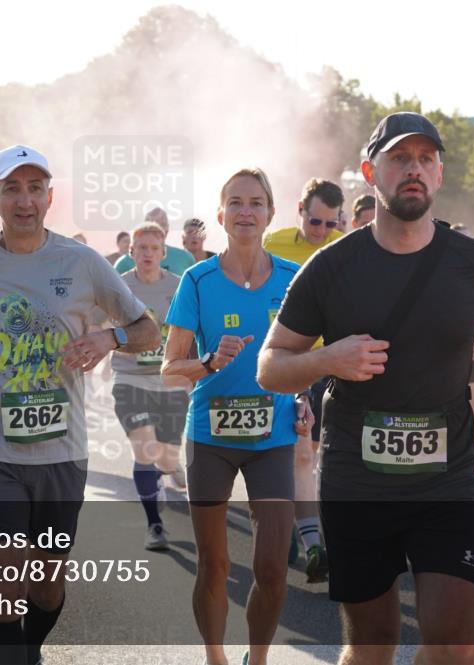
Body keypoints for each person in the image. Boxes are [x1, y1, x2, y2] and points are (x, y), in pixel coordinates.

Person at [258, 112, 474, 665]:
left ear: (439, 175)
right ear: (370, 171)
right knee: (371, 644)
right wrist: (328, 358)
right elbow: (270, 365)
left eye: (426, 159)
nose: (414, 169)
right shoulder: (329, 267)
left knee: (458, 646)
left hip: (448, 478)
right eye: (399, 158)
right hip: (357, 481)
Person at [0, 144, 158, 665]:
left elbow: (147, 328)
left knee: (45, 587)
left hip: (60, 453)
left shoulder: (83, 262)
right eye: (11, 189)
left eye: (34, 188)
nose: (24, 201)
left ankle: (27, 648)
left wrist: (109, 339)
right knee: (5, 582)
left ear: (50, 196)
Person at [162, 168, 312, 665]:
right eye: (236, 202)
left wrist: (305, 396)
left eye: (256, 202)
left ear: (270, 213)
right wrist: (208, 363)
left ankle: (259, 658)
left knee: (272, 567)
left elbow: (309, 359)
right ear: (221, 213)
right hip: (210, 438)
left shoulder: (294, 278)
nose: (246, 211)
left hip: (274, 439)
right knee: (215, 565)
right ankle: (215, 657)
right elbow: (168, 369)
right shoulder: (197, 280)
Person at [264, 177, 345, 581]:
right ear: (300, 210)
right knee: (294, 453)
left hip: (328, 365)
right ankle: (299, 533)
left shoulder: (345, 247)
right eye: (316, 222)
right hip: (285, 363)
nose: (322, 232)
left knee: (309, 457)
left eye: (331, 224)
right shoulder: (272, 242)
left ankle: (302, 525)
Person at [102, 221, 190, 551]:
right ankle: (154, 524)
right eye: (142, 248)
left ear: (163, 253)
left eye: (154, 248)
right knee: (144, 449)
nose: (148, 254)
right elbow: (99, 326)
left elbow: (192, 330)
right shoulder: (118, 288)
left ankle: (168, 467)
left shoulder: (180, 286)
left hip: (170, 382)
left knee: (165, 456)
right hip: (129, 379)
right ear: (131, 252)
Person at [113, 206, 196, 275]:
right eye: (155, 224)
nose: (160, 229)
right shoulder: (123, 264)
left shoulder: (185, 258)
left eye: (163, 224)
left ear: (168, 227)